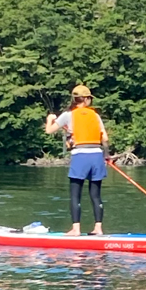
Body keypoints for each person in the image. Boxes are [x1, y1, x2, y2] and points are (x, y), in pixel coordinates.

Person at [44, 85, 110, 236]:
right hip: (96, 155)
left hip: (81, 156)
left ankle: (76, 229)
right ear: (86, 99)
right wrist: (106, 156)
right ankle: (98, 229)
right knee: (96, 195)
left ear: (74, 99)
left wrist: (50, 119)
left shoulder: (69, 115)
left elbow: (49, 130)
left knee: (75, 195)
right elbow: (104, 138)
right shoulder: (95, 115)